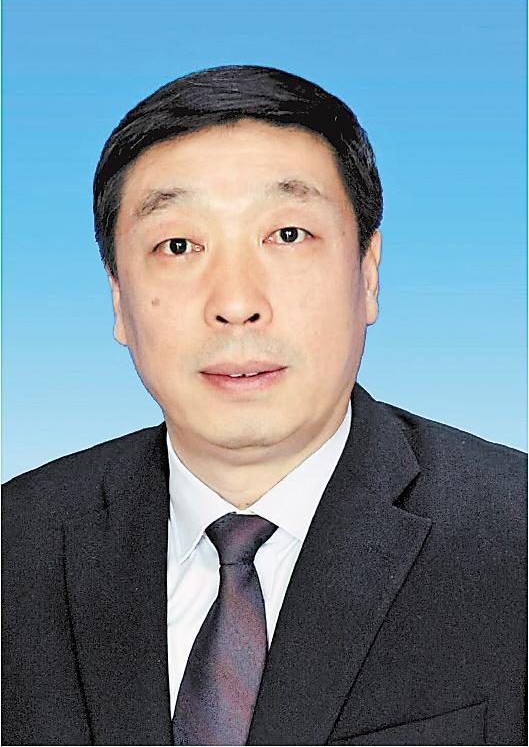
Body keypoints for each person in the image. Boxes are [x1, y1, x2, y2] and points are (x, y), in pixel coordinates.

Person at [2, 65, 525, 747]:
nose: (236, 303)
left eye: (287, 236)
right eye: (178, 245)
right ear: (118, 300)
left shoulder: (514, 537)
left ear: (368, 273)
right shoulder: (15, 544)